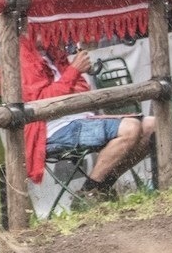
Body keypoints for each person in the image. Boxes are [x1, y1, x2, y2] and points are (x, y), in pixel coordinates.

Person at [20, 36, 156, 202]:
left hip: (80, 119)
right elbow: (40, 104)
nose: (51, 32)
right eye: (42, 27)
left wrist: (75, 72)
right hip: (49, 131)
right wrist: (74, 70)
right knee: (131, 129)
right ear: (27, 28)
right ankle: (88, 194)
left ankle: (101, 187)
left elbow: (81, 89)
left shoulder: (52, 53)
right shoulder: (21, 58)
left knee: (152, 126)